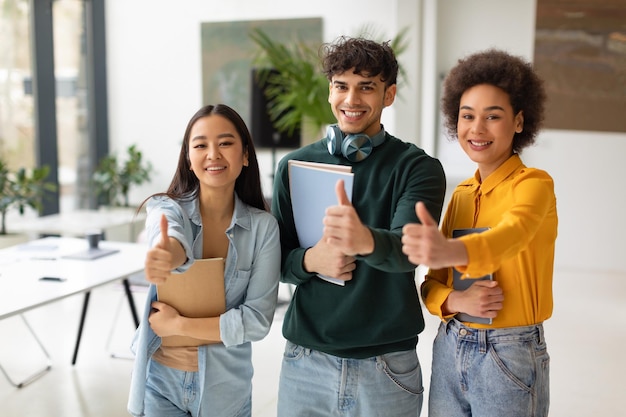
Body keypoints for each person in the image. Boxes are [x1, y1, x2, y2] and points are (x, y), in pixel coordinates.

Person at [271, 36, 447, 417]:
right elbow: (275, 262)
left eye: (366, 87)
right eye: (341, 86)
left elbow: (409, 252)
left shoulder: (417, 168)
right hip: (305, 361)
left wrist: (363, 239)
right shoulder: (293, 166)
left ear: (389, 94)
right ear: (330, 90)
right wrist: (311, 261)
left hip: (386, 367)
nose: (351, 99)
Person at [401, 49, 558, 417]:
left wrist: (453, 251)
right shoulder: (461, 195)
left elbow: (511, 234)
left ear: (519, 121)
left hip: (510, 352)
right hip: (451, 343)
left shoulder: (534, 185)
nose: (477, 128)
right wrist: (456, 302)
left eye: (493, 116)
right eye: (467, 116)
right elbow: (432, 285)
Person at [127, 104, 281, 417]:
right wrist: (169, 252)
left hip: (225, 391)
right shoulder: (167, 209)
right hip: (160, 383)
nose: (213, 154)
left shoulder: (264, 228)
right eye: (200, 145)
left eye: (225, 143)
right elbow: (168, 236)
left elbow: (257, 321)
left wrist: (179, 325)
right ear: (188, 157)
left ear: (246, 155)